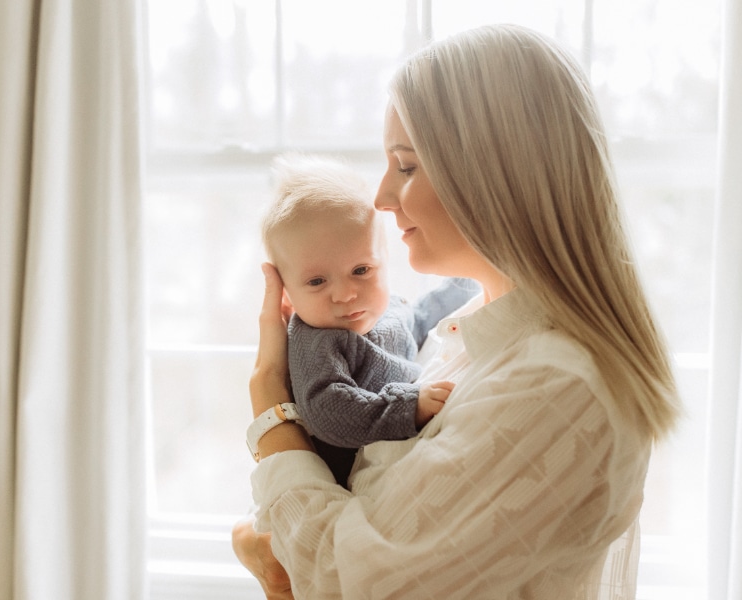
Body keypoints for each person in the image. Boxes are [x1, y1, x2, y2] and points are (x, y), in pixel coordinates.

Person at [234, 24, 682, 599]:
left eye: (406, 165)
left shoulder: (555, 386)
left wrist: (270, 407)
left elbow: (349, 581)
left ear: (493, 175)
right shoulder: (465, 336)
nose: (381, 197)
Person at [261, 153, 479, 486]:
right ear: (287, 295)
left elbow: (420, 320)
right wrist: (408, 407)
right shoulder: (317, 341)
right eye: (317, 281)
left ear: (383, 261)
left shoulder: (388, 310)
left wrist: (468, 277)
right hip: (338, 488)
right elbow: (328, 411)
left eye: (361, 270)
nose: (346, 294)